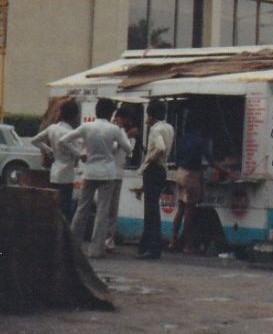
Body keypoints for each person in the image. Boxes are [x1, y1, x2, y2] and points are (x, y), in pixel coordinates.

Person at [63, 98, 135, 258]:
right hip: (108, 173)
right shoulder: (114, 129)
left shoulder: (87, 127)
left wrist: (80, 153)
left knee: (81, 209)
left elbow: (64, 140)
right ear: (111, 113)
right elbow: (128, 148)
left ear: (96, 111)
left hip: (89, 172)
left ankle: (73, 245)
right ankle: (96, 249)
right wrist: (115, 144)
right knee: (103, 211)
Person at [29, 99, 81, 219]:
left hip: (54, 172)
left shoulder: (53, 128)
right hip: (67, 175)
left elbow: (34, 140)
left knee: (54, 208)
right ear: (74, 116)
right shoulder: (70, 133)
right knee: (64, 209)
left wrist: (49, 150)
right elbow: (77, 153)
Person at [136, 100, 174, 259]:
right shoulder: (169, 127)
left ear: (151, 115)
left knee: (150, 210)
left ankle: (152, 248)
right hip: (162, 170)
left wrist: (148, 160)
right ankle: (145, 246)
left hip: (153, 169)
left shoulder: (155, 129)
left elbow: (160, 147)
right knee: (153, 209)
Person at [170, 123, 211, 254]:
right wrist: (227, 171)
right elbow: (211, 160)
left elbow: (177, 157)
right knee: (189, 211)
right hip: (191, 175)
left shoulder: (184, 138)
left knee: (180, 208)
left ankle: (173, 241)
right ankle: (188, 246)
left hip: (180, 173)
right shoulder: (201, 141)